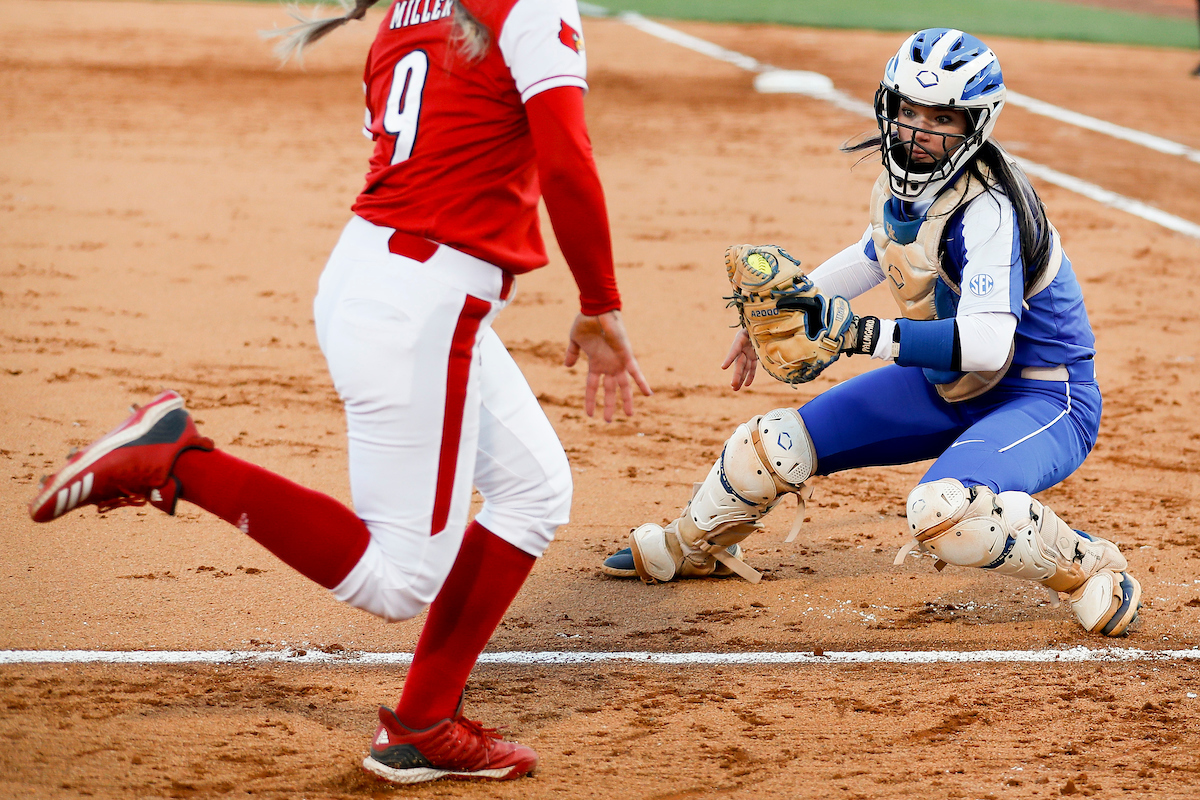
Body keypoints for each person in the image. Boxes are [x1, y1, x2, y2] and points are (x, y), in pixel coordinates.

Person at [29, 0, 650, 786]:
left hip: (388, 280)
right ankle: (178, 459)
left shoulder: (404, 13)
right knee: (399, 582)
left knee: (533, 490)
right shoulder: (528, 4)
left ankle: (422, 724)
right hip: (420, 305)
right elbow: (566, 158)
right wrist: (599, 303)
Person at [601, 28, 1141, 638]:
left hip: (1043, 398)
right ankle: (692, 545)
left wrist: (859, 335)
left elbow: (990, 345)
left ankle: (1092, 566)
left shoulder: (991, 210)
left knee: (945, 512)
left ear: (975, 125)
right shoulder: (902, 185)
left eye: (942, 118)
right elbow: (872, 255)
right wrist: (784, 306)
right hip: (947, 385)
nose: (918, 131)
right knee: (772, 445)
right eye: (910, 111)